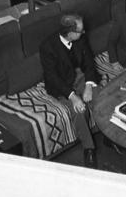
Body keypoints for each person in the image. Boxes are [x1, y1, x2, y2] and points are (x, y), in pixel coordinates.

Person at [39, 14, 100, 168]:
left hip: (78, 75)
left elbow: (89, 63)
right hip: (61, 84)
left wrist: (88, 85)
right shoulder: (47, 46)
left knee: (101, 97)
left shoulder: (80, 38)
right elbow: (53, 78)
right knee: (79, 110)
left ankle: (109, 135)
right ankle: (89, 148)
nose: (84, 32)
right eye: (81, 30)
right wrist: (73, 97)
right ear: (70, 33)